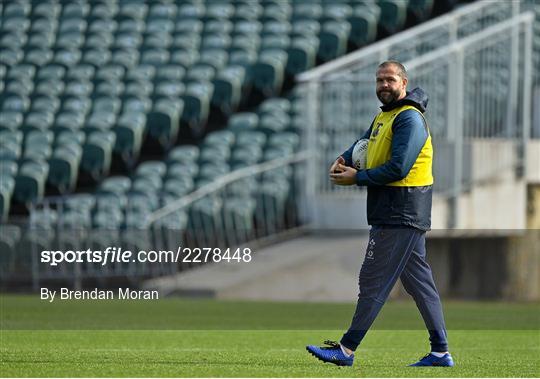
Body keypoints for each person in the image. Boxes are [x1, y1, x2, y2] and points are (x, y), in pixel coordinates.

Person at [306, 61, 454, 367]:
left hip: (400, 212)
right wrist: (343, 158)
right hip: (396, 213)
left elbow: (398, 168)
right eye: (379, 80)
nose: (383, 85)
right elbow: (362, 145)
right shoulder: (385, 116)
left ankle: (346, 350)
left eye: (389, 79)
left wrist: (356, 178)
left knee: (373, 281)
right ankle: (440, 351)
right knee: (419, 284)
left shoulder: (409, 119)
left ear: (404, 82)